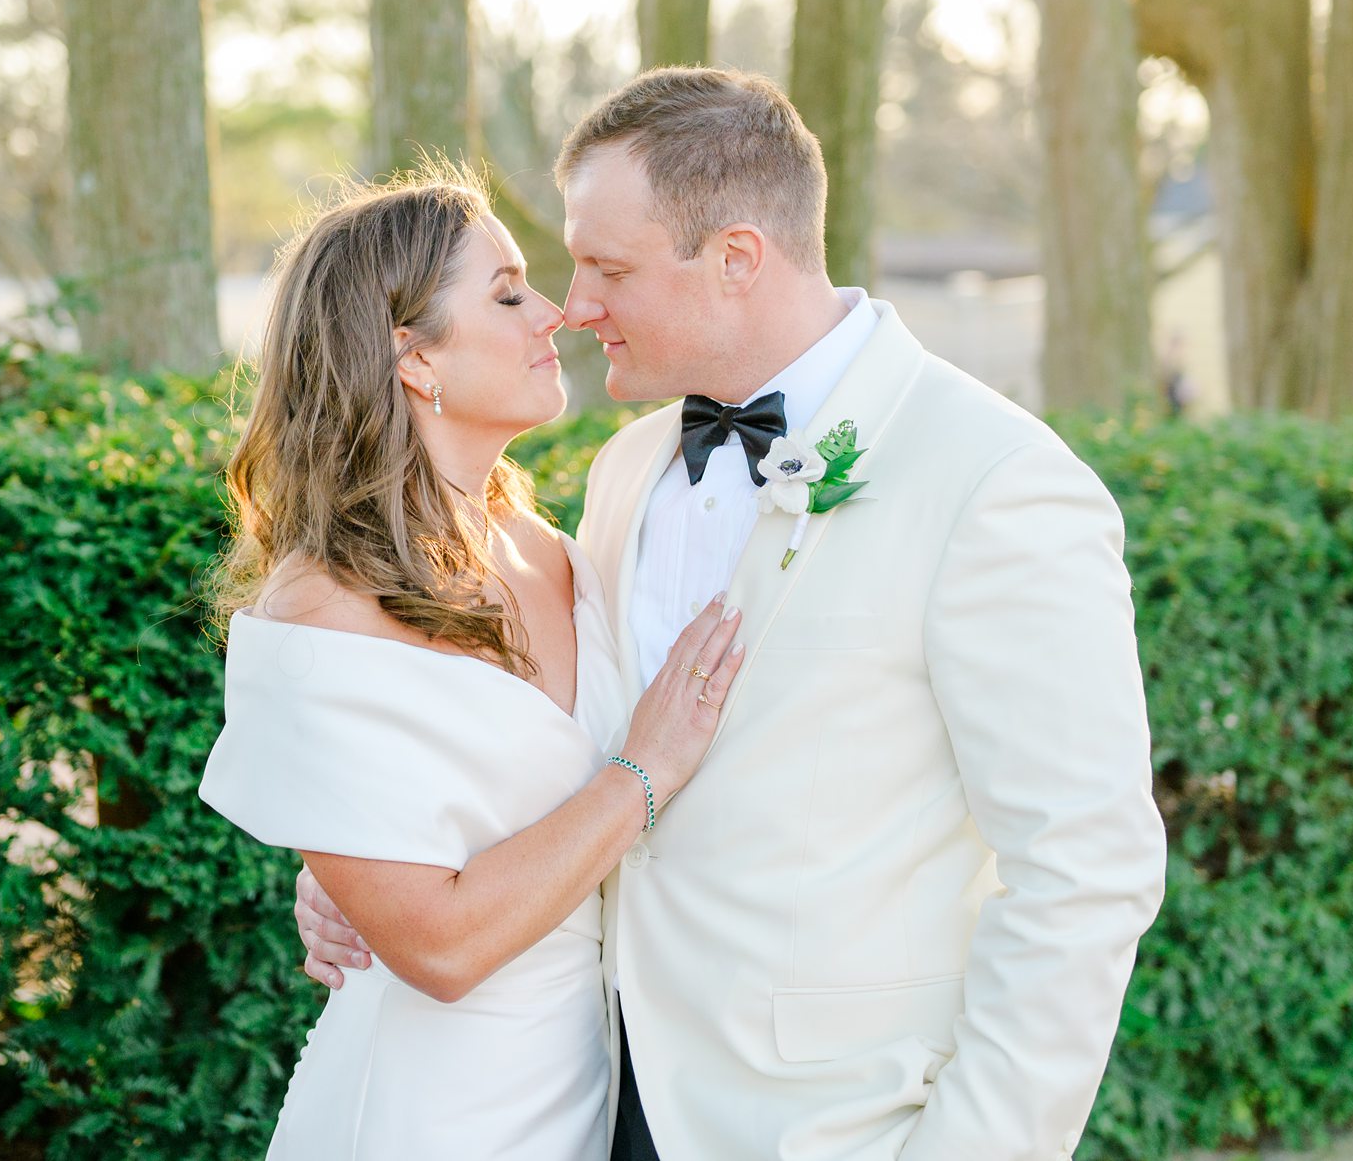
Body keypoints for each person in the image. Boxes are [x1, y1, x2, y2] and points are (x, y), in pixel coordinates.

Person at [294, 68, 1169, 1161]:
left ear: (737, 258)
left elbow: (1087, 870)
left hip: (836, 1126)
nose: (576, 303)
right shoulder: (625, 470)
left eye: (609, 266)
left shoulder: (995, 481)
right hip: (591, 1097)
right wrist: (371, 861)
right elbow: (531, 736)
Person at [199, 162, 746, 1161]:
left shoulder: (548, 544)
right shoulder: (322, 608)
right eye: (507, 294)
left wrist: (350, 866)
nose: (556, 314)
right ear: (412, 358)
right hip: (430, 1112)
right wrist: (643, 772)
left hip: (593, 1088)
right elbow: (440, 947)